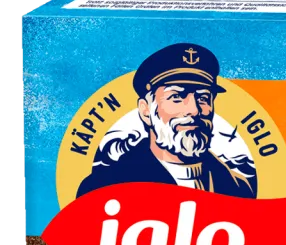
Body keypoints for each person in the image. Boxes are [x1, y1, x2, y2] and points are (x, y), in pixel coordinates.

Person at [77, 43, 257, 198]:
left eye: (203, 98)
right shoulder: (104, 189)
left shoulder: (240, 190)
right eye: (177, 96)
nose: (194, 110)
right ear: (146, 111)